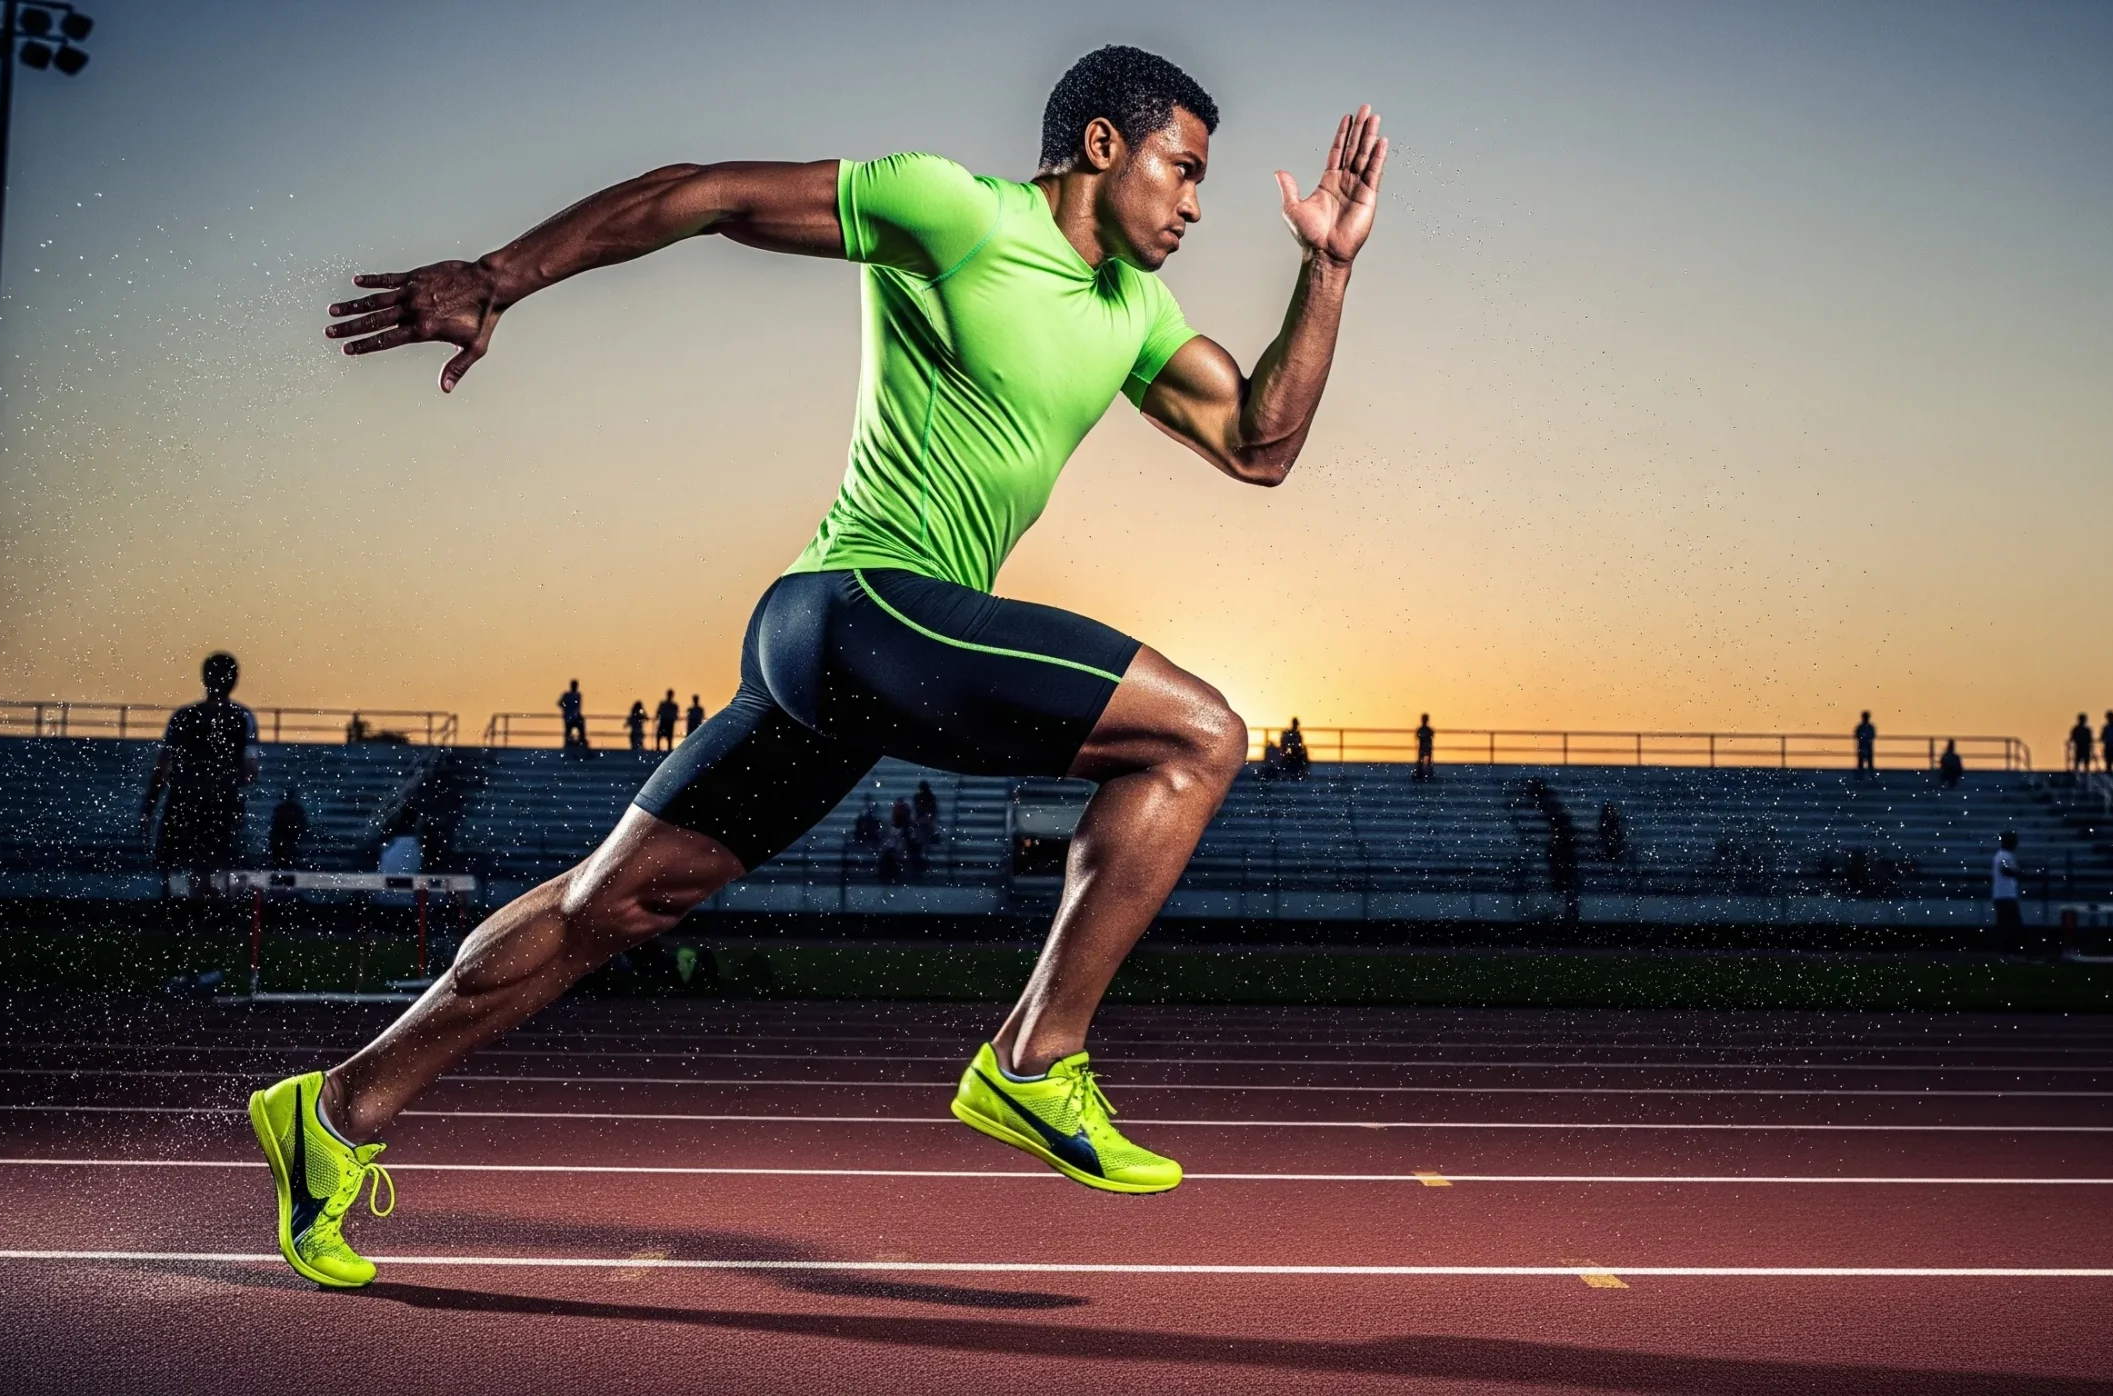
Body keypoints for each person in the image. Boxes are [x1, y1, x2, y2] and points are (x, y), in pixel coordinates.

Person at [255, 46, 1387, 1289]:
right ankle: (1031, 1062)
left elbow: (1260, 443)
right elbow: (704, 193)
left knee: (616, 906)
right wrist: (499, 278)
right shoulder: (956, 211)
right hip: (859, 611)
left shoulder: (1132, 314)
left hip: (851, 661)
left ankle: (336, 1110)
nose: (1193, 202)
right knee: (1201, 734)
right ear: (1104, 148)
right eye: (1182, 168)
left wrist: (1325, 268)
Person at [141, 652, 260, 895]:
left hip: (183, 801)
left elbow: (162, 768)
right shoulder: (241, 718)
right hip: (220, 803)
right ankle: (208, 921)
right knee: (213, 872)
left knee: (175, 871)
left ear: (204, 678)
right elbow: (250, 772)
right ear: (234, 680)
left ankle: (175, 922)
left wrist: (149, 808)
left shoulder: (183, 717)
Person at [1990, 831, 2022, 952]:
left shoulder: (2000, 855)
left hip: (2002, 894)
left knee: (2005, 924)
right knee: (2010, 924)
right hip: (2006, 895)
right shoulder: (2005, 856)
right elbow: (2006, 870)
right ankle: (2007, 951)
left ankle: (2003, 951)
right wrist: (2020, 873)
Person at [269, 787, 310, 869]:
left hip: (292, 834)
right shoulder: (282, 808)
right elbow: (275, 823)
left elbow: (302, 823)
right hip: (284, 834)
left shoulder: (295, 808)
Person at [557, 680, 587, 750]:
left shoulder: (577, 695)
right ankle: (570, 744)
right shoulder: (568, 695)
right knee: (569, 731)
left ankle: (581, 741)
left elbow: (578, 707)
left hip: (573, 716)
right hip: (569, 717)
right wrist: (566, 709)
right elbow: (560, 703)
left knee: (579, 727)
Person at [1853, 711, 1877, 777]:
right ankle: (1865, 776)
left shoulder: (1862, 727)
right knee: (1862, 763)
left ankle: (1863, 777)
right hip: (1865, 747)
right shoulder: (1868, 727)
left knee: (1867, 763)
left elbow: (1857, 735)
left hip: (1865, 747)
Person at [1413, 712, 1435, 780]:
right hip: (1425, 747)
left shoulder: (1422, 730)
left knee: (1424, 761)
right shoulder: (1428, 730)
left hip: (1424, 747)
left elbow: (1417, 737)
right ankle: (1425, 774)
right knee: (1424, 762)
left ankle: (1422, 773)